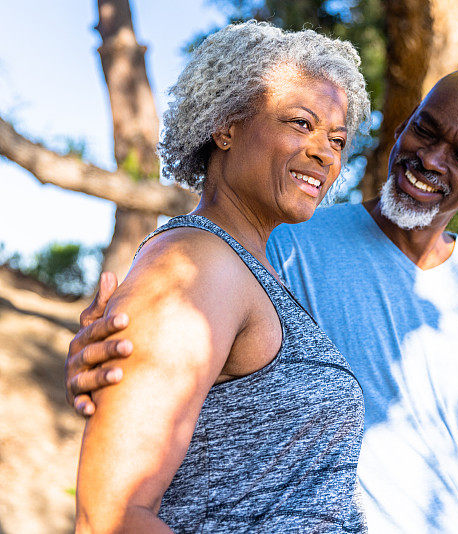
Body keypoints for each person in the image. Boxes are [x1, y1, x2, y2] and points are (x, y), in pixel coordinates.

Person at [67, 67, 458, 533]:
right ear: (403, 127)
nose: (431, 159)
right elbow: (169, 359)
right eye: (426, 131)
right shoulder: (281, 239)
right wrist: (110, 361)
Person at [72, 21, 371, 533]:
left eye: (337, 138)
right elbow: (110, 517)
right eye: (301, 123)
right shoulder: (194, 265)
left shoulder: (254, 268)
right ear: (226, 126)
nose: (326, 152)